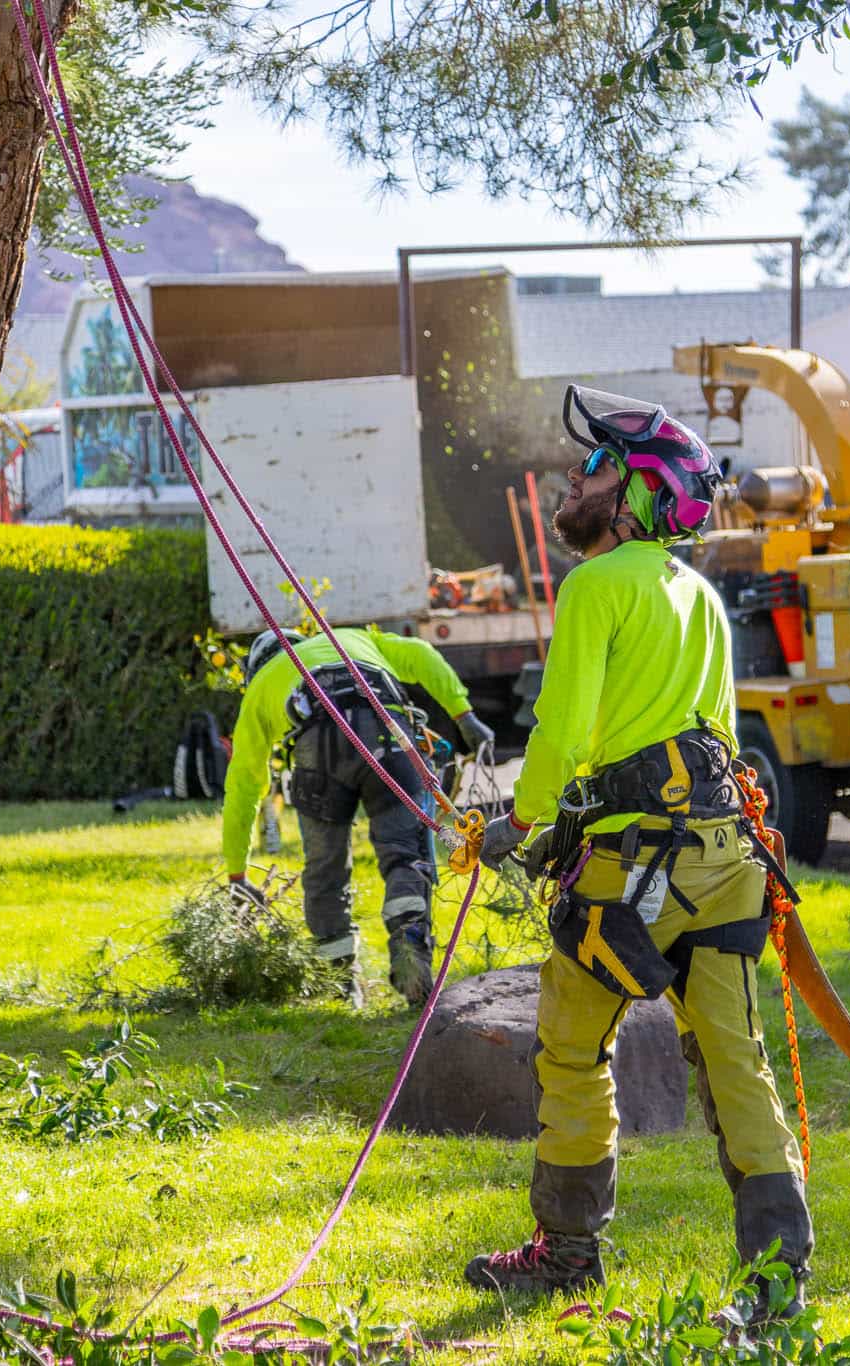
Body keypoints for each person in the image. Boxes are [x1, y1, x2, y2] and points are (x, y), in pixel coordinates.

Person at [465, 385, 812, 1322]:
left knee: (573, 1050)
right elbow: (713, 738)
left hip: (633, 872)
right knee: (735, 1062)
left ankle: (567, 1254)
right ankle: (778, 1275)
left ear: (639, 495)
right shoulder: (698, 596)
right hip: (724, 859)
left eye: (594, 467)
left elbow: (562, 728)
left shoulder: (595, 585)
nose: (572, 480)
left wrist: (522, 823)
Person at [224, 625, 494, 1004]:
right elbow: (422, 654)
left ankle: (340, 983)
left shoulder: (259, 688)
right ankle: (411, 951)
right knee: (406, 853)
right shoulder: (353, 638)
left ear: (255, 667)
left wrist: (237, 873)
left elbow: (243, 786)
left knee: (326, 869)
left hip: (317, 752)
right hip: (388, 736)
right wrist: (463, 714)